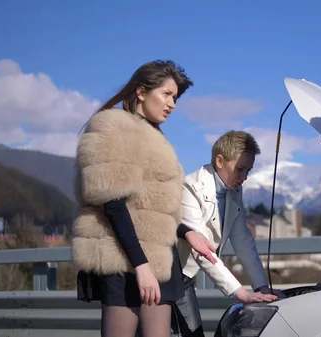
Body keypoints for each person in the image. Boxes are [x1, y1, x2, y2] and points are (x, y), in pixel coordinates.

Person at [71, 60, 217, 337]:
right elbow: (113, 204)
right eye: (166, 94)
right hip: (122, 260)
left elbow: (152, 208)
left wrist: (187, 233)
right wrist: (142, 267)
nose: (172, 104)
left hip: (158, 260)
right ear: (141, 92)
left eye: (175, 97)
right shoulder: (112, 127)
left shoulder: (154, 137)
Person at [173, 130, 285, 336]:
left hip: (185, 277)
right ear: (219, 161)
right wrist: (240, 293)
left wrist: (262, 287)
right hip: (168, 274)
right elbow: (201, 249)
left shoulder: (233, 189)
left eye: (248, 171)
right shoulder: (189, 187)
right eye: (240, 169)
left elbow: (243, 242)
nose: (244, 177)